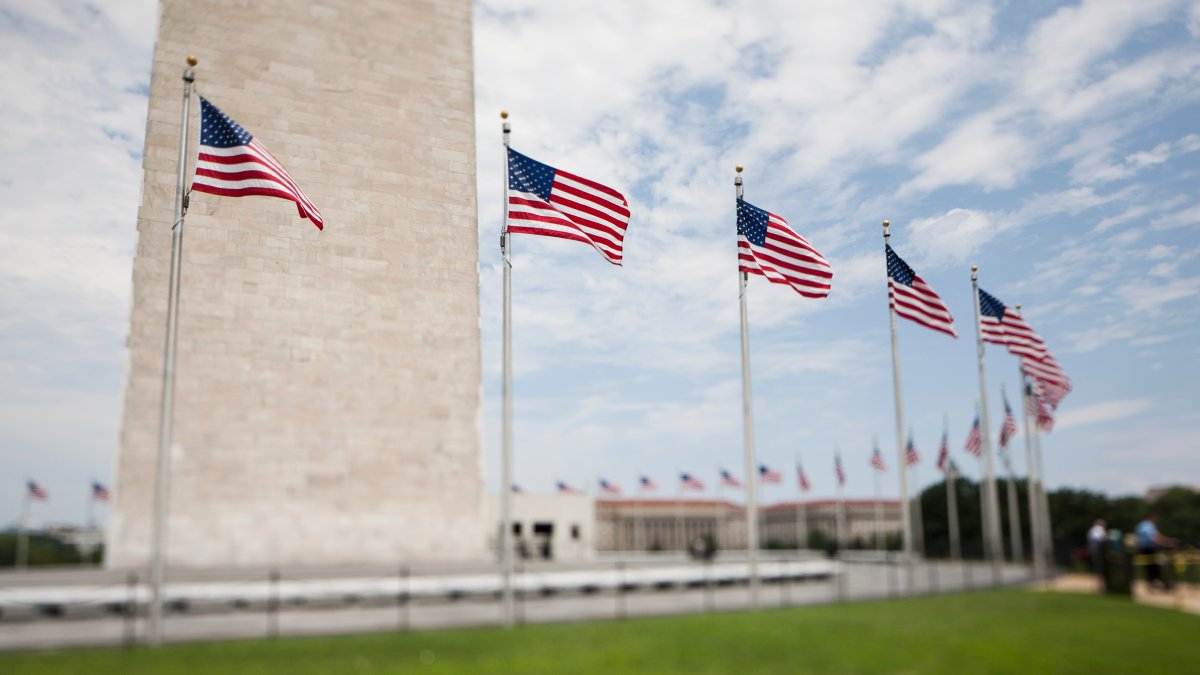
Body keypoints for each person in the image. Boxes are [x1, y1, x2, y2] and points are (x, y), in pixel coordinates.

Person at [1135, 515, 1178, 590]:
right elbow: (1155, 538)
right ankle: (1156, 582)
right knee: (1154, 567)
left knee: (1150, 567)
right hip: (1149, 549)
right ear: (1151, 518)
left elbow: (1156, 537)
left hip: (1145, 549)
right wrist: (1167, 543)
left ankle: (1152, 582)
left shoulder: (1141, 525)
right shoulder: (1148, 526)